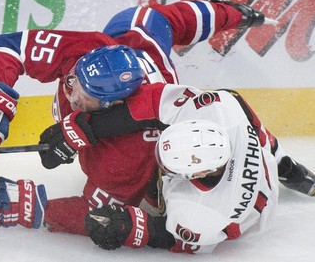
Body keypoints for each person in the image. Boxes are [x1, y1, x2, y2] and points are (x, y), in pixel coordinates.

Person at [0, 0, 267, 234]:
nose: (73, 93)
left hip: (147, 141)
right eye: (74, 79)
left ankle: (276, 161)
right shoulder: (88, 48)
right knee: (148, 19)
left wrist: (37, 209)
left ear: (114, 103)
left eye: (87, 95)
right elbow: (8, 47)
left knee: (153, 196)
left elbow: (101, 214)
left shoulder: (127, 156)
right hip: (141, 47)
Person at [82, 84, 315, 253]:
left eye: (170, 167)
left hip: (247, 215)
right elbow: (161, 102)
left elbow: (176, 239)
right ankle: (284, 164)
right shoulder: (223, 109)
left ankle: (281, 161)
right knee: (255, 132)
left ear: (199, 173)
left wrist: (131, 227)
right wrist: (91, 127)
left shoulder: (198, 212)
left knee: (155, 198)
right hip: (254, 164)